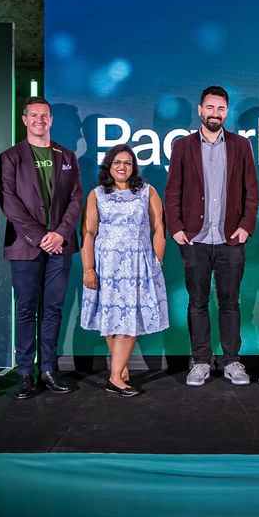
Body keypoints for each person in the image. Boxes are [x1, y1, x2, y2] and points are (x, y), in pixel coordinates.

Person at [164, 86, 259, 387]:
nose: (215, 113)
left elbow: (252, 192)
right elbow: (173, 192)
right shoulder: (183, 146)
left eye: (220, 109)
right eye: (210, 108)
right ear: (200, 110)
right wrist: (177, 228)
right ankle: (201, 362)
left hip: (231, 239)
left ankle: (232, 361)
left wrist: (245, 226)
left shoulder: (241, 145)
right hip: (195, 239)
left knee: (230, 303)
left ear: (226, 112)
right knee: (197, 302)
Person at [0, 96, 84, 400]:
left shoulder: (67, 156)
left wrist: (60, 234)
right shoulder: (11, 157)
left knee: (53, 310)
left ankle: (49, 370)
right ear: (24, 120)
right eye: (33, 115)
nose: (39, 120)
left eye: (44, 116)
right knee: (25, 310)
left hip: (60, 247)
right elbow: (9, 201)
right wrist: (39, 236)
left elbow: (76, 199)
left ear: (51, 120)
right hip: (25, 247)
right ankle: (25, 374)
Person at [80, 144, 168, 397]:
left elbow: (159, 228)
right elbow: (89, 232)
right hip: (105, 265)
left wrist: (156, 262)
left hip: (138, 266)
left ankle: (115, 376)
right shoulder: (97, 194)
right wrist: (88, 268)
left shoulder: (147, 191)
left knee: (129, 321)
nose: (122, 167)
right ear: (109, 166)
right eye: (117, 162)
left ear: (133, 167)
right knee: (110, 320)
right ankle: (119, 372)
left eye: (128, 163)